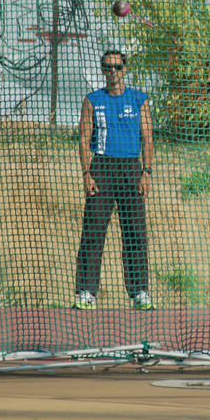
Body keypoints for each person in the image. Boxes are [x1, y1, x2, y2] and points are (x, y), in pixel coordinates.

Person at [75, 50, 154, 310]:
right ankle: (87, 292)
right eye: (108, 68)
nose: (113, 73)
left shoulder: (139, 99)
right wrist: (87, 174)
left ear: (125, 69)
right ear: (102, 70)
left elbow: (147, 138)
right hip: (102, 167)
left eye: (118, 68)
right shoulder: (93, 100)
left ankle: (139, 292)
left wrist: (146, 172)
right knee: (94, 232)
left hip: (131, 168)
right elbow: (84, 139)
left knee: (135, 233)